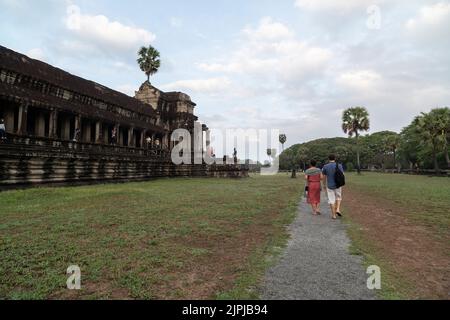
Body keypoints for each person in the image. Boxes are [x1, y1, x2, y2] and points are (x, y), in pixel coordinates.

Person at [322, 154, 345, 220]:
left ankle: (334, 215)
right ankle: (337, 209)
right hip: (338, 184)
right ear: (335, 158)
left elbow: (324, 177)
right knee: (339, 197)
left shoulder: (325, 166)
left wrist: (324, 184)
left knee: (331, 200)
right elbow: (342, 175)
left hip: (330, 185)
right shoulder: (339, 165)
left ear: (328, 159)